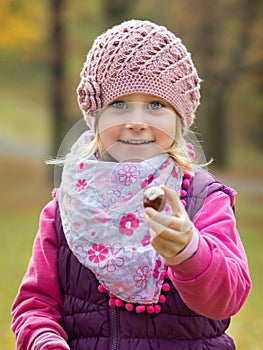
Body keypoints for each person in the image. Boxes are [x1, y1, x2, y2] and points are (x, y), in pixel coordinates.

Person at [11, 19, 251, 350]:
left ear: (179, 118)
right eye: (119, 104)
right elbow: (35, 305)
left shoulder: (201, 200)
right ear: (95, 117)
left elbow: (228, 298)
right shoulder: (65, 210)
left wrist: (189, 251)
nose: (136, 122)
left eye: (156, 105)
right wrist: (45, 340)